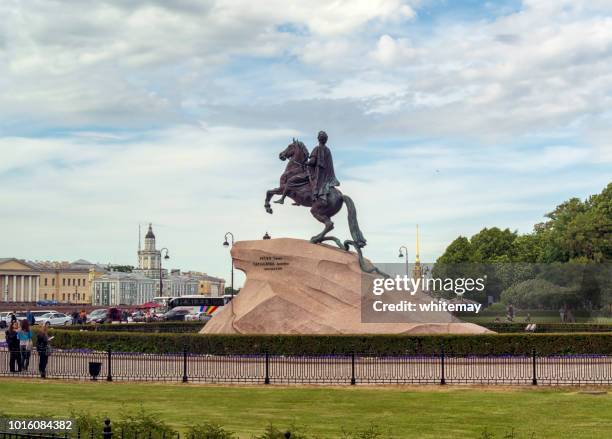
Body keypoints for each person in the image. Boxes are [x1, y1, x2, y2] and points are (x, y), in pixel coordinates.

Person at [307, 131, 340, 204]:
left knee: (307, 177)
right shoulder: (328, 150)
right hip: (327, 174)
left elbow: (312, 162)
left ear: (318, 139)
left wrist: (305, 163)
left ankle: (314, 195)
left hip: (319, 173)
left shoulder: (317, 148)